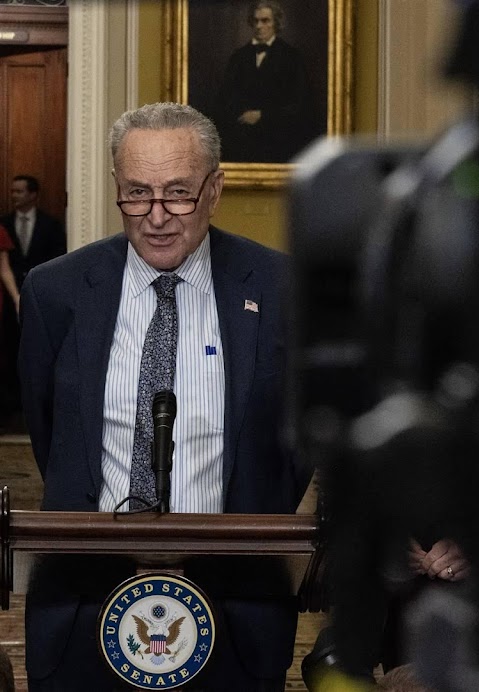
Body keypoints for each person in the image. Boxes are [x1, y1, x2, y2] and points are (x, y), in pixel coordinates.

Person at [18, 102, 310, 690]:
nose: (156, 217)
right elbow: (53, 435)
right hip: (85, 601)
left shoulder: (281, 289)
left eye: (178, 193)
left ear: (215, 189)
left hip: (234, 606)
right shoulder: (55, 290)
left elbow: (295, 450)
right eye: (136, 194)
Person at [216, 0, 315, 162]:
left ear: (275, 23)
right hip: (241, 145)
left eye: (265, 21)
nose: (259, 26)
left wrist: (262, 116)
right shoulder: (238, 57)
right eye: (255, 21)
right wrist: (240, 116)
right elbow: (223, 101)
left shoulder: (291, 57)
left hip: (278, 144)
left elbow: (300, 105)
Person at [0, 175, 65, 423]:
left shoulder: (51, 224)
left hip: (42, 298)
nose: (14, 196)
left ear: (33, 194)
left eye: (19, 191)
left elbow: (58, 259)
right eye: (13, 191)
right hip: (9, 300)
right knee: (10, 351)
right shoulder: (3, 223)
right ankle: (12, 407)